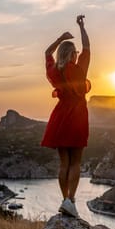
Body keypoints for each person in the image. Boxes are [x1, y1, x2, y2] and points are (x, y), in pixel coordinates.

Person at [41, 15, 90, 218]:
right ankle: (71, 200)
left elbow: (46, 52)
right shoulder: (78, 71)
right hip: (77, 117)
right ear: (72, 55)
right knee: (76, 162)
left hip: (60, 117)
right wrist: (82, 27)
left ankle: (65, 201)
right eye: (75, 54)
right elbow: (88, 48)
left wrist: (60, 38)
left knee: (64, 163)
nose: (78, 55)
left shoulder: (53, 71)